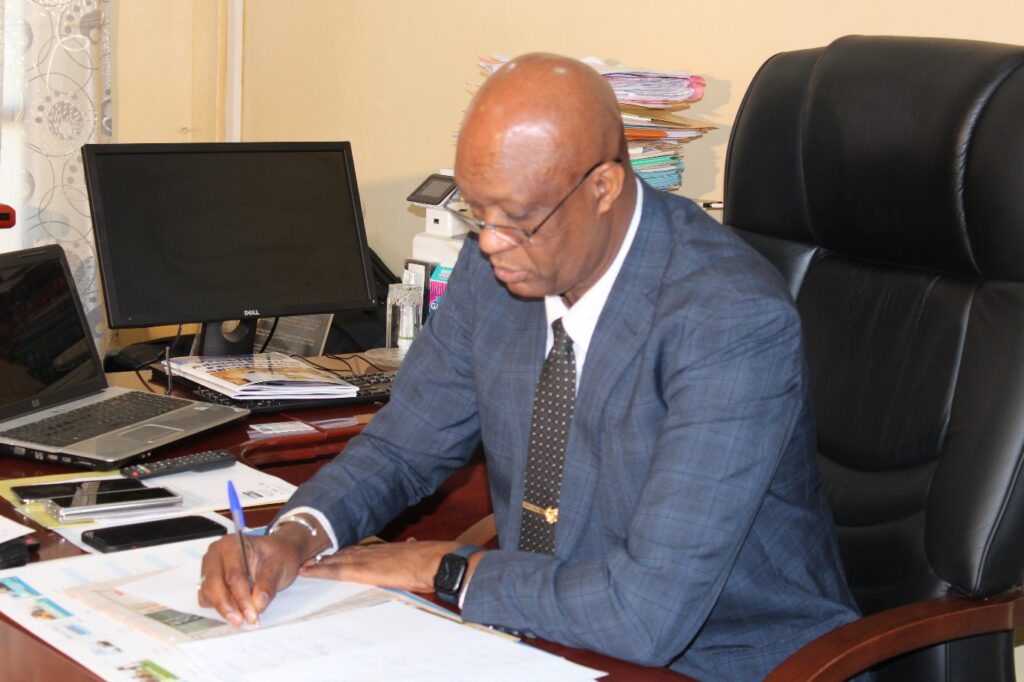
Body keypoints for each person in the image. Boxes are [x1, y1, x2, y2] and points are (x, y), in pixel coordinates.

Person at [199, 53, 861, 680]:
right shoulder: (494, 272)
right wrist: (295, 536)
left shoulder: (729, 318)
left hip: (722, 661)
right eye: (476, 211)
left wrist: (447, 569)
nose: (490, 243)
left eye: (517, 219)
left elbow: (645, 614)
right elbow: (404, 446)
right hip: (541, 635)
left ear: (603, 187)